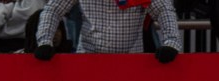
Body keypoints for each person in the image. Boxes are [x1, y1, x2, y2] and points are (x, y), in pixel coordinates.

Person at [32, 0, 180, 61]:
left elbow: (163, 9)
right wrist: (45, 41)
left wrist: (171, 43)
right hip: (88, 62)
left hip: (131, 62)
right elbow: (53, 9)